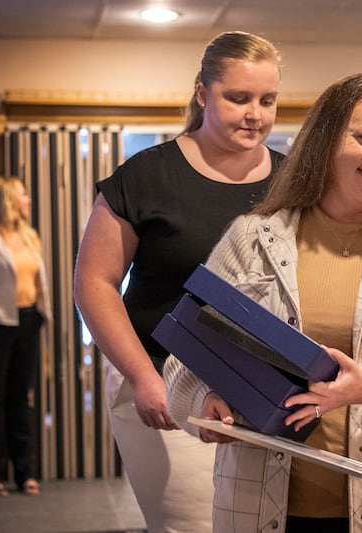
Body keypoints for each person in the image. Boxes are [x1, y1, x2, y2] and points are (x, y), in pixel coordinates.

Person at [165, 72, 362, 533]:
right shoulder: (251, 238)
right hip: (258, 505)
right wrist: (204, 400)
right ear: (324, 138)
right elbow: (187, 355)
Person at [73, 31, 285, 532]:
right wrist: (144, 377)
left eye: (267, 100)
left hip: (261, 391)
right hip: (162, 383)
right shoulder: (146, 175)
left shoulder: (293, 180)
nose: (255, 113)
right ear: (202, 93)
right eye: (238, 98)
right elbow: (95, 285)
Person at [0, 176, 52, 496]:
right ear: (9, 200)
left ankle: (25, 473)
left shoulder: (28, 236)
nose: (28, 200)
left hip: (28, 319)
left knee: (20, 397)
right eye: (23, 195)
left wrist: (41, 313)